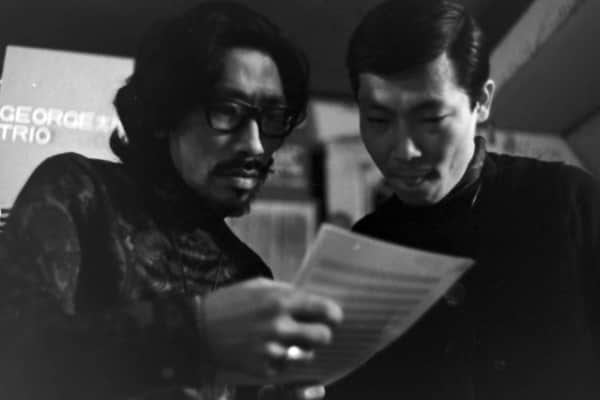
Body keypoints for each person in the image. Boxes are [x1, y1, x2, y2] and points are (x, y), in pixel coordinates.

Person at [0, 2, 343, 399]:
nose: (254, 144)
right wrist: (196, 329)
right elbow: (14, 349)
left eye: (272, 117)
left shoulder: (249, 272)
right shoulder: (80, 190)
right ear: (164, 114)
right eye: (226, 110)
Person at [327, 0, 600, 399]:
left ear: (482, 102)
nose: (403, 151)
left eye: (431, 119)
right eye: (378, 120)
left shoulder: (569, 204)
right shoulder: (364, 247)